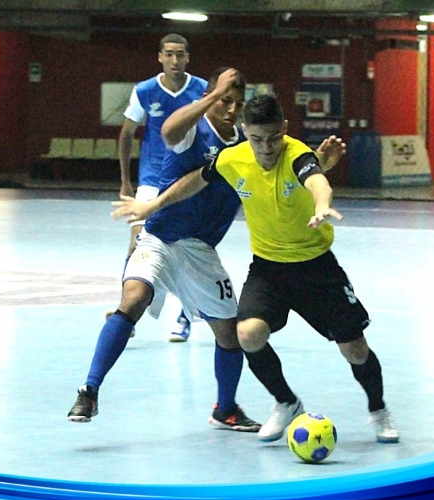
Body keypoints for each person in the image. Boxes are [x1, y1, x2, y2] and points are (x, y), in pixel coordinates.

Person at [112, 94, 399, 445]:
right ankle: (286, 402)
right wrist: (153, 204)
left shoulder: (298, 155)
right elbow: (197, 179)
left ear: (286, 130)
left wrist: (323, 204)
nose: (266, 147)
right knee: (247, 334)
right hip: (269, 270)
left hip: (316, 269)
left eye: (274, 138)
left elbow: (316, 180)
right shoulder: (233, 158)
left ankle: (378, 409)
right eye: (257, 138)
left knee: (354, 348)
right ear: (244, 130)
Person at [68, 67, 261, 432]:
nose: (232, 109)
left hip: (200, 250)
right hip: (159, 236)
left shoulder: (242, 146)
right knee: (133, 298)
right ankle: (89, 389)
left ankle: (226, 408)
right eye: (225, 100)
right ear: (210, 97)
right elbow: (169, 130)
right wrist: (207, 98)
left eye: (237, 103)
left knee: (229, 334)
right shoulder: (193, 129)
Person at [116, 33, 207, 342]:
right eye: (169, 54)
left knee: (184, 248)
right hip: (152, 177)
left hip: (185, 178)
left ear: (188, 57)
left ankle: (184, 317)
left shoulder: (201, 90)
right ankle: (126, 316)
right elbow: (127, 133)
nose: (175, 60)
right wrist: (126, 179)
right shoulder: (144, 91)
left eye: (180, 55)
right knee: (136, 244)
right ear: (159, 57)